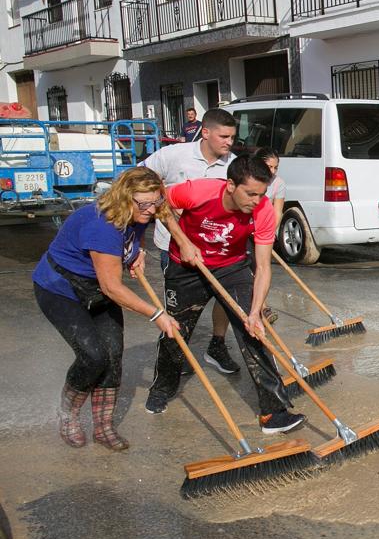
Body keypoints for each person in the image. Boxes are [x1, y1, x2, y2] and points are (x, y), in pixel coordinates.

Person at [144, 156, 307, 435]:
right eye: (251, 193)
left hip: (231, 268)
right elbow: (160, 203)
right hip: (186, 267)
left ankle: (274, 412)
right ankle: (162, 388)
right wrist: (182, 241)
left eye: (262, 194)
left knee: (253, 332)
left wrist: (255, 313)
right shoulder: (197, 191)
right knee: (176, 332)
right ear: (231, 185)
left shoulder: (263, 210)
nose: (257, 201)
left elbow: (264, 267)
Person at [33, 167, 186, 450]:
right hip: (61, 289)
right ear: (124, 197)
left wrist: (136, 249)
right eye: (145, 204)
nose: (152, 210)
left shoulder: (139, 211)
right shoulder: (101, 226)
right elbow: (112, 288)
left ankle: (103, 427)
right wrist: (157, 313)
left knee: (113, 357)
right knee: (93, 356)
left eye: (156, 202)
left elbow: (148, 221)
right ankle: (67, 416)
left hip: (97, 288)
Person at [142, 107, 240, 375]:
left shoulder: (233, 165)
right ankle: (178, 352)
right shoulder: (174, 155)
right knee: (181, 305)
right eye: (223, 136)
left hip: (218, 246)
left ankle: (217, 346)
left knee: (224, 297)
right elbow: (138, 180)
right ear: (205, 132)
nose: (229, 143)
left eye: (232, 137)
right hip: (174, 245)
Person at [256, 147, 286, 324]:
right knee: (250, 270)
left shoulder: (278, 183)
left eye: (276, 167)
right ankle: (261, 307)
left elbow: (277, 212)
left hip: (264, 232)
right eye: (269, 167)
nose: (272, 171)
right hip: (246, 229)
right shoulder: (249, 178)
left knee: (263, 268)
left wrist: (269, 234)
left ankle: (262, 306)